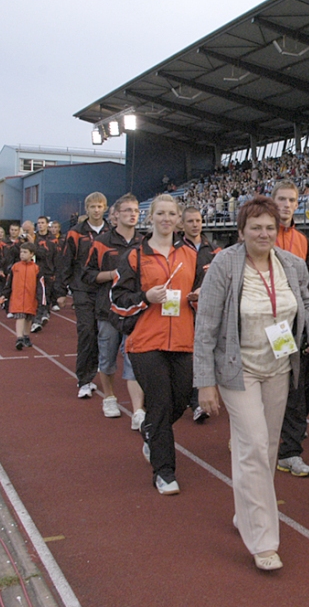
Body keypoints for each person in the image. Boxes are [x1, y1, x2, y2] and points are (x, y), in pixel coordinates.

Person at [194, 196, 309, 571]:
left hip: (280, 367)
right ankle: (264, 540)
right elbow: (205, 327)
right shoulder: (225, 265)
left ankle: (247, 513)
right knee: (251, 446)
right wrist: (205, 383)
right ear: (241, 232)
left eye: (270, 227)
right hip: (239, 370)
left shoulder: (293, 264)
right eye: (256, 227)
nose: (264, 233)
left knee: (266, 448)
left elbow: (308, 303)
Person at [111, 195, 198, 495]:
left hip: (184, 341)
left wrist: (197, 297)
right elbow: (117, 302)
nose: (165, 218)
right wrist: (145, 298)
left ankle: (150, 431)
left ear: (178, 219)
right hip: (147, 342)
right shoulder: (135, 255)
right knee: (160, 402)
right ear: (151, 218)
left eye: (171, 213)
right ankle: (165, 471)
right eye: (160, 213)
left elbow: (202, 292)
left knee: (181, 399)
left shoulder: (191, 255)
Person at [271, 181, 309, 477]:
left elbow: (307, 287)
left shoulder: (303, 240)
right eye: (281, 199)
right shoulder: (261, 232)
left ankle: (289, 450)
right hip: (268, 322)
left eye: (291, 200)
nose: (286, 205)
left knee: (298, 385)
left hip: (296, 324)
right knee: (271, 383)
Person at [86, 194, 145, 422]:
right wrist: (112, 275)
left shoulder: (144, 243)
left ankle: (138, 410)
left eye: (136, 211)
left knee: (134, 358)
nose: (132, 214)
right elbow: (88, 274)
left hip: (135, 309)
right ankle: (109, 397)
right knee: (107, 357)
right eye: (128, 210)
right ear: (116, 214)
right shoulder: (101, 242)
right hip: (108, 310)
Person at [62, 193, 110, 398]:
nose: (96, 210)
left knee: (105, 334)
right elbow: (65, 261)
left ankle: (99, 368)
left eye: (100, 206)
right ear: (86, 209)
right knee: (86, 332)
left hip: (105, 288)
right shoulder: (75, 233)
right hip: (82, 288)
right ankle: (84, 379)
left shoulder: (112, 232)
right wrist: (61, 290)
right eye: (92, 206)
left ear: (105, 208)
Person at [178, 205, 220, 424]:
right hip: (179, 311)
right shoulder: (174, 248)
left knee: (201, 354)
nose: (195, 224)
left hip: (205, 312)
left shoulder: (213, 250)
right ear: (182, 224)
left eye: (198, 220)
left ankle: (196, 402)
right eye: (191, 221)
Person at [0, 242, 43, 350]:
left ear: (32, 254)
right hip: (17, 297)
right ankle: (19, 338)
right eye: (21, 252)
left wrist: (41, 299)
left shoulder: (36, 269)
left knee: (28, 318)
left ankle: (26, 336)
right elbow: (9, 283)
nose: (22, 254)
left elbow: (40, 286)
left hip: (30, 298)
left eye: (25, 252)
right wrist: (4, 295)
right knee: (20, 317)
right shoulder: (15, 267)